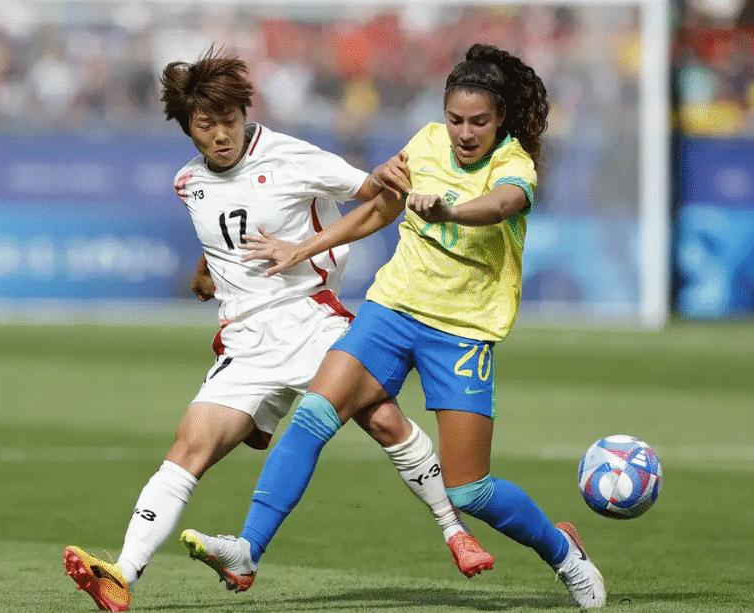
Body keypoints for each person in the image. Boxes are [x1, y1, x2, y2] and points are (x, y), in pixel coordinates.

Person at [61, 47, 492, 613]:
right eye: (204, 125)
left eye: (229, 121)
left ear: (245, 113)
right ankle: (122, 574)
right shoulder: (188, 182)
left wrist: (314, 243)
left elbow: (381, 200)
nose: (220, 136)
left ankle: (454, 531)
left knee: (385, 420)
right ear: (187, 127)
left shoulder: (291, 157)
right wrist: (203, 273)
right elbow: (219, 234)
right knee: (190, 445)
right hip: (245, 340)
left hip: (312, 319)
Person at [181, 43, 607, 608]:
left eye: (479, 121)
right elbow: (381, 209)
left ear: (500, 118)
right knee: (312, 414)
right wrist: (306, 246)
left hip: (461, 330)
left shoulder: (514, 164)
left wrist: (449, 210)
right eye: (456, 119)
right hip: (392, 309)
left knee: (470, 490)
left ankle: (562, 551)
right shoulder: (426, 144)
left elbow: (501, 206)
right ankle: (248, 548)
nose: (464, 132)